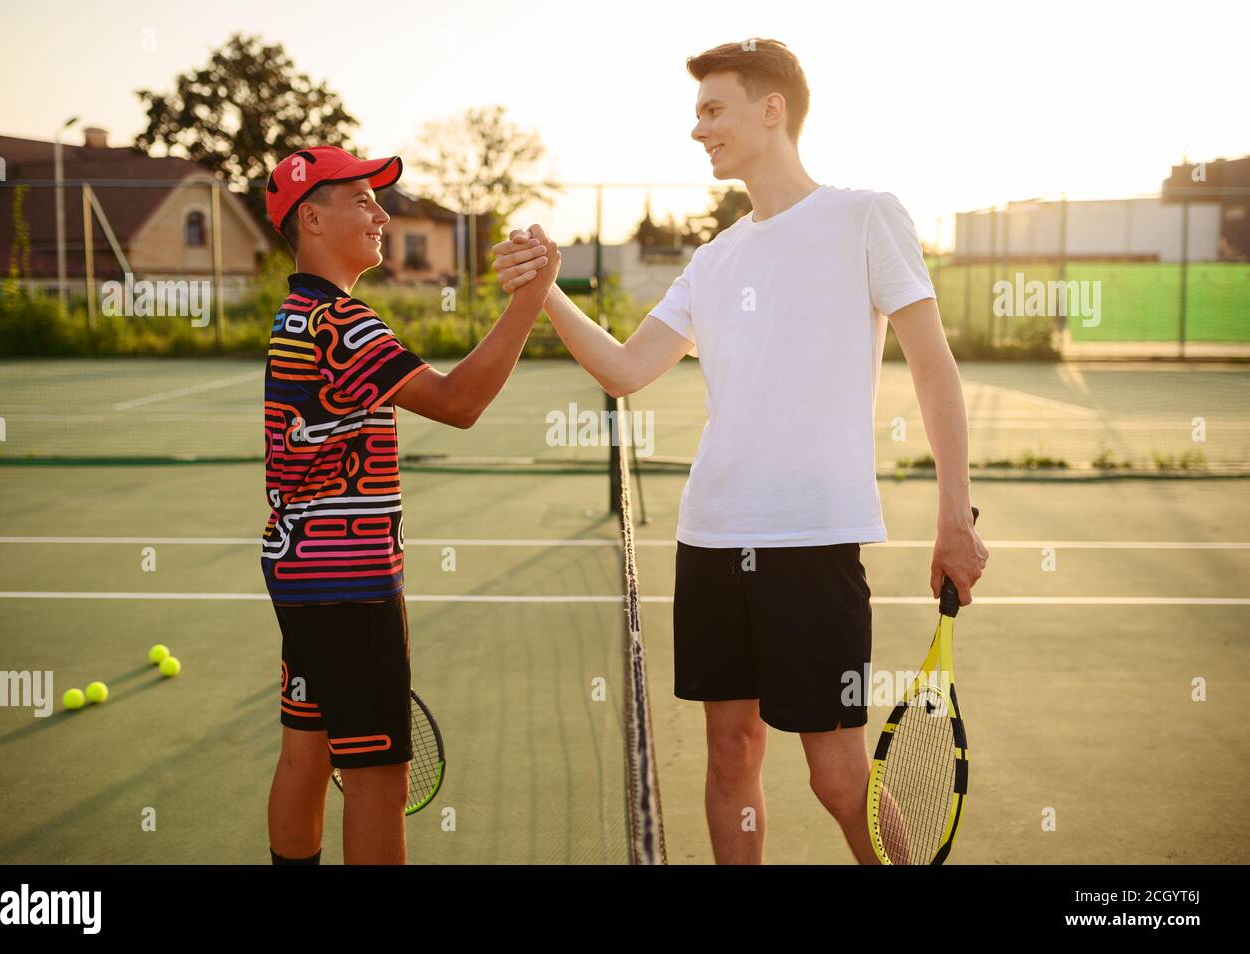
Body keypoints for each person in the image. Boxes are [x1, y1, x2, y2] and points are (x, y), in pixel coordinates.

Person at [492, 39, 987, 864]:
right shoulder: (714, 260)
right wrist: (545, 293)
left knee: (836, 775)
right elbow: (623, 370)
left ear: (772, 109)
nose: (698, 130)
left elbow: (934, 370)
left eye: (712, 110)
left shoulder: (866, 215)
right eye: (696, 114)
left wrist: (953, 518)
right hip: (712, 539)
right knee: (732, 753)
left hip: (812, 543)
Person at [261, 146, 559, 864]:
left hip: (300, 573)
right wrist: (530, 299)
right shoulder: (343, 323)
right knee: (378, 777)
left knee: (308, 748)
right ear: (312, 215)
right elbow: (458, 403)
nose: (381, 213)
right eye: (361, 198)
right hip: (350, 583)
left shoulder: (295, 315)